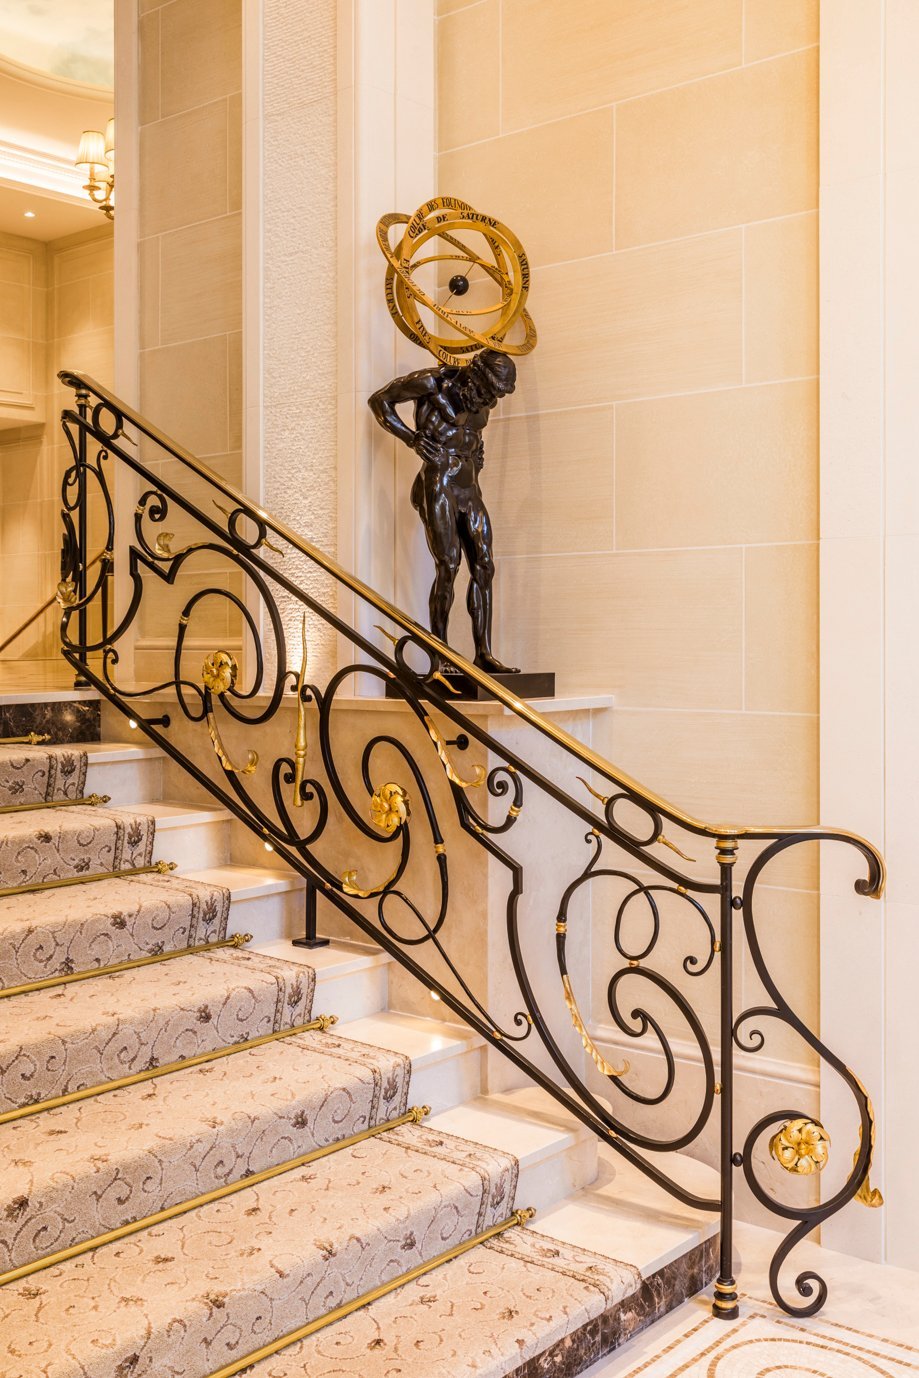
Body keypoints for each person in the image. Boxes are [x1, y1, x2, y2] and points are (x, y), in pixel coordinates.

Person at [369, 348, 519, 673]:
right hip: (438, 483)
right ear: (476, 375)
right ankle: (440, 654)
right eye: (488, 391)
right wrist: (411, 438)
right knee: (448, 565)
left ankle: (484, 654)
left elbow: (472, 436)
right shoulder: (432, 383)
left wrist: (478, 451)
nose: (490, 402)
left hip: (469, 486)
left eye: (495, 396)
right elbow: (379, 401)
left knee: (484, 566)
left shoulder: (482, 404)